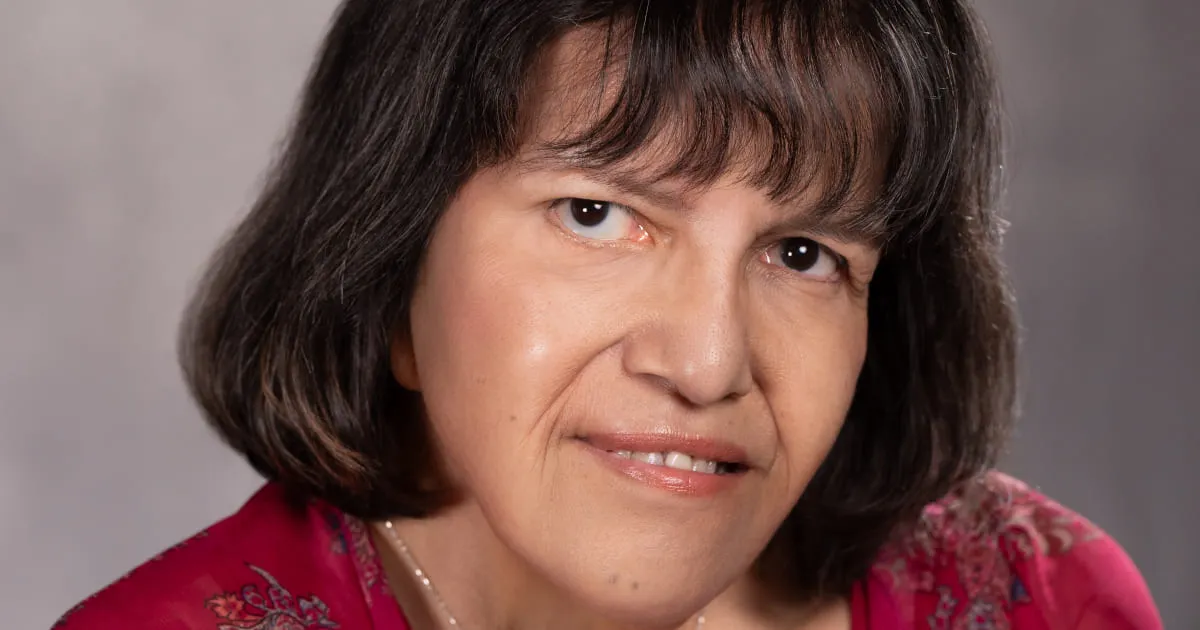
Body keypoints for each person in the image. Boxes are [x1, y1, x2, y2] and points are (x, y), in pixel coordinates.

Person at [54, 0, 1161, 628]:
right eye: (596, 213)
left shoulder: (1046, 601)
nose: (708, 359)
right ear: (388, 262)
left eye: (802, 252)